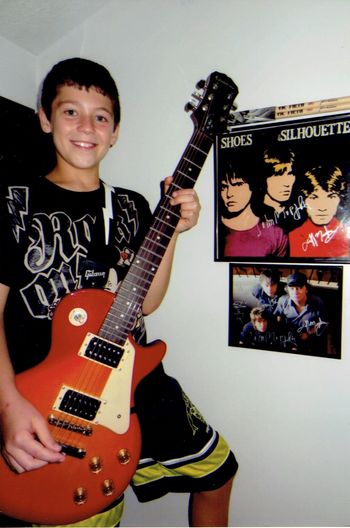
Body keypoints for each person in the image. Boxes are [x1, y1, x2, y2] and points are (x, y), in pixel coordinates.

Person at [0, 58, 238, 528]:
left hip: (130, 375)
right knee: (84, 512)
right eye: (71, 112)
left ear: (116, 130)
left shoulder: (130, 205)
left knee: (218, 472)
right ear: (45, 119)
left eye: (101, 116)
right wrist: (6, 406)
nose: (86, 126)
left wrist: (171, 231)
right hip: (45, 393)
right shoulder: (14, 198)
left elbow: (144, 303)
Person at [219, 158, 288, 258]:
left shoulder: (275, 233)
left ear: (253, 185)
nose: (229, 194)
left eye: (237, 184)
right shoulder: (215, 229)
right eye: (224, 187)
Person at [288, 164, 349, 258]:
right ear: (303, 200)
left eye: (331, 197)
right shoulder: (292, 237)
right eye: (314, 197)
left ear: (340, 199)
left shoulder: (346, 236)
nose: (322, 207)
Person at [274, 272, 328, 355]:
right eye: (292, 288)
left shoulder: (317, 302)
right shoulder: (282, 301)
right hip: (289, 338)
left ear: (306, 289)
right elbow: (278, 318)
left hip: (311, 340)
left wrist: (310, 332)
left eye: (299, 287)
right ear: (287, 289)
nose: (295, 291)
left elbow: (324, 323)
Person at [256, 145, 305, 232]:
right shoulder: (253, 215)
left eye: (290, 174)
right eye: (278, 175)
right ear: (263, 178)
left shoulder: (302, 210)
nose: (287, 183)